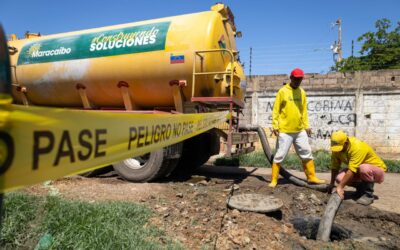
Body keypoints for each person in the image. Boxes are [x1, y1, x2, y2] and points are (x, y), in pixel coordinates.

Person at [269, 68, 325, 187]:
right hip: (285, 131)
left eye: (300, 79)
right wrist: (275, 125)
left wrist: (306, 126)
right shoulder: (282, 91)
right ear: (291, 78)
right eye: (296, 78)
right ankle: (274, 180)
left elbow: (303, 111)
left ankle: (312, 177)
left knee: (306, 153)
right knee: (279, 155)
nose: (298, 81)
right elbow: (276, 110)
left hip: (300, 131)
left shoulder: (302, 92)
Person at [330, 130, 386, 205]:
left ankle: (368, 195)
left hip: (376, 172)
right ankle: (360, 191)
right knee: (339, 178)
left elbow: (352, 170)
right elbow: (335, 167)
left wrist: (340, 187)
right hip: (359, 170)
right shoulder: (336, 149)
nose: (337, 150)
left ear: (346, 143)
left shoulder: (357, 147)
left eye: (339, 147)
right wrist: (331, 184)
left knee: (363, 168)